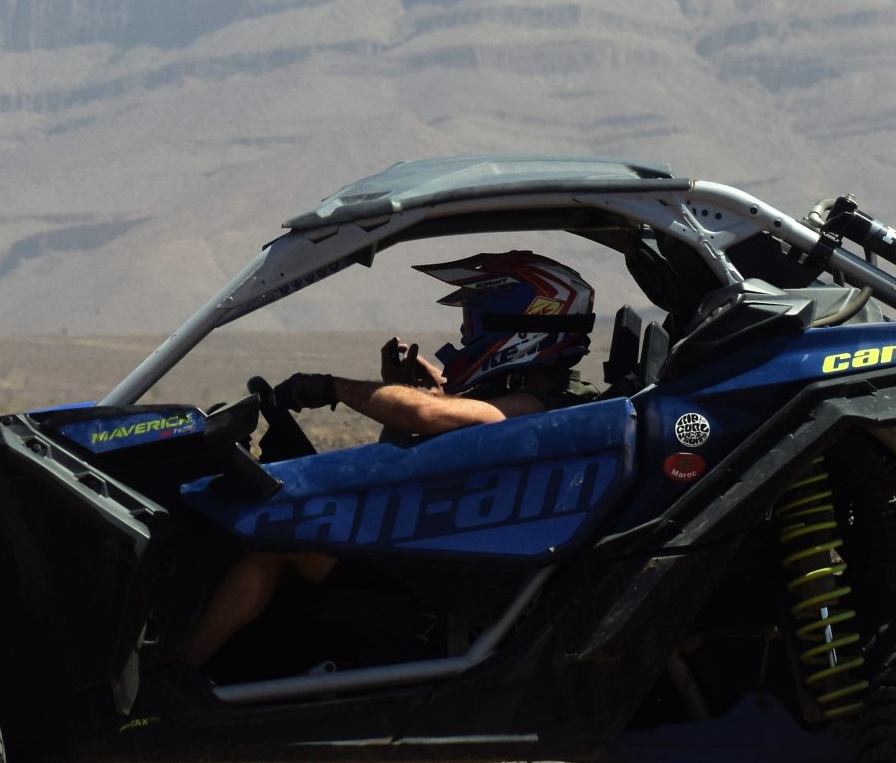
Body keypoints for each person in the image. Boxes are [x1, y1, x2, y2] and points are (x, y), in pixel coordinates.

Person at [179, 251, 596, 670]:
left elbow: (425, 415)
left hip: (446, 583)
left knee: (270, 543)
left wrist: (333, 387)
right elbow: (406, 450)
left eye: (475, 324)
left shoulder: (546, 405)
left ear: (522, 331)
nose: (466, 337)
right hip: (432, 562)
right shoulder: (517, 400)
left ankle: (173, 678)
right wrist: (402, 390)